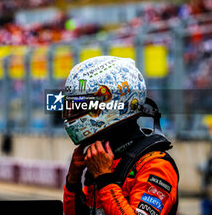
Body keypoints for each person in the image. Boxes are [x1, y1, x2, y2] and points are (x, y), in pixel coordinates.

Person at [62, 56, 179, 215]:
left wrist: (105, 180)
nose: (74, 113)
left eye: (82, 105)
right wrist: (72, 182)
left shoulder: (155, 165)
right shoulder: (102, 158)